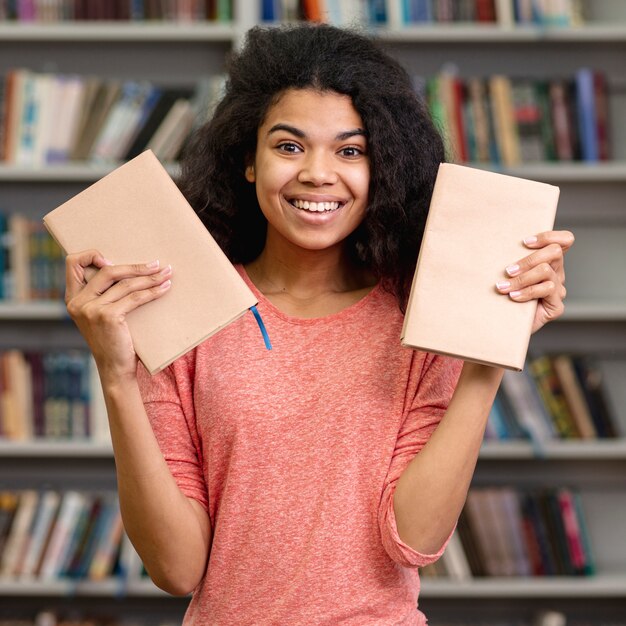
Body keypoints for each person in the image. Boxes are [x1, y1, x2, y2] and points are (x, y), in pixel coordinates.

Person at [65, 23, 574, 626]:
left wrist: (490, 355)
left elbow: (413, 539)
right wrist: (117, 374)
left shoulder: (421, 315)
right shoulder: (184, 311)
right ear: (248, 162)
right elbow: (177, 570)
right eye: (288, 146)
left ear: (381, 167)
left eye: (350, 150)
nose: (317, 173)